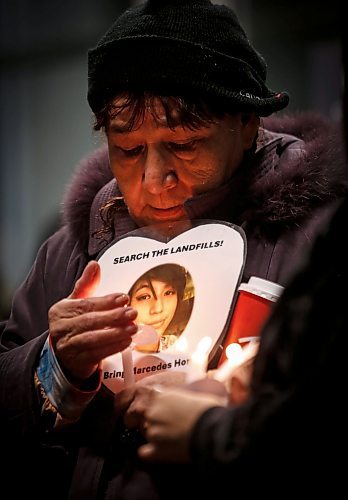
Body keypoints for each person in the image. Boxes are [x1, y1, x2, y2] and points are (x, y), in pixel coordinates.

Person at [0, 0, 346, 498]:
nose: (154, 180)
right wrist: (53, 365)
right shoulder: (73, 250)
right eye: (129, 149)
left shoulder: (316, 236)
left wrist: (240, 415)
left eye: (185, 146)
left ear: (248, 123)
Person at [129, 264, 192, 351]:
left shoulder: (177, 347)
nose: (158, 309)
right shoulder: (110, 358)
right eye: (144, 297)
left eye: (168, 292)